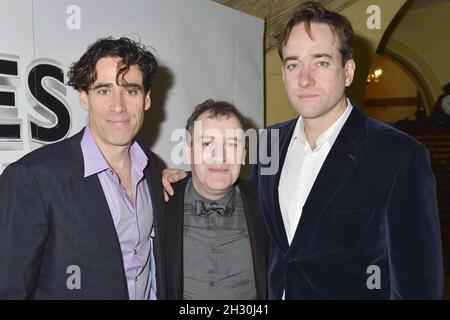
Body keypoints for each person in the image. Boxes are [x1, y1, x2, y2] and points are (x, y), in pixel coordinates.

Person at [163, 2, 443, 299]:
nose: (304, 78)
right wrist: (179, 182)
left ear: (348, 72)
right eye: (293, 64)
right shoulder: (270, 143)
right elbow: (242, 211)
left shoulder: (399, 155)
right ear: (283, 74)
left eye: (320, 62)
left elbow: (419, 285)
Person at [0, 37, 166, 299]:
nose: (118, 105)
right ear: (83, 98)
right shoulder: (32, 178)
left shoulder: (152, 168)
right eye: (104, 90)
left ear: (146, 99)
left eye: (130, 91)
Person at [166, 99, 267, 300]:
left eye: (232, 144)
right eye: (206, 143)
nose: (220, 156)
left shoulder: (266, 203)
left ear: (243, 154)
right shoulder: (161, 200)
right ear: (188, 151)